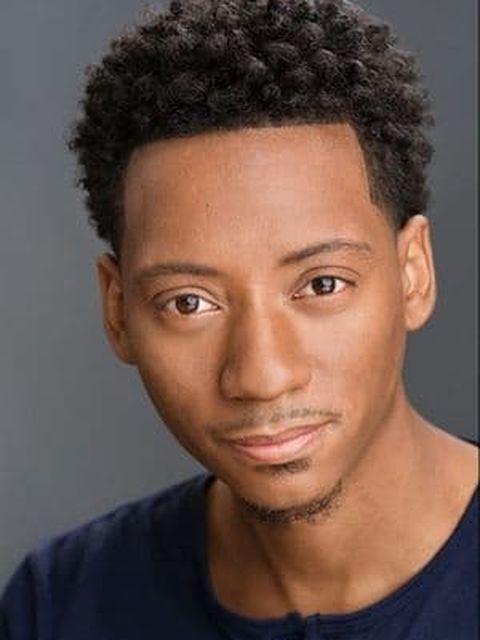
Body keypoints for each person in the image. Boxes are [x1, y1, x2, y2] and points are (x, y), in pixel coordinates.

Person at [1, 0, 478, 638]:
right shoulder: (60, 607)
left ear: (413, 272)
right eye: (189, 302)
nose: (261, 376)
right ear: (118, 311)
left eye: (322, 284)